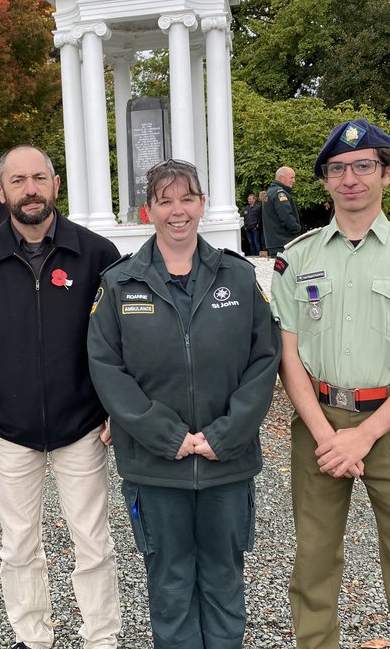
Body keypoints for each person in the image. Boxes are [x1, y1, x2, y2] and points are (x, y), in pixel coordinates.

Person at [271, 118, 390, 649]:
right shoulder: (299, 258)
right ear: (326, 181)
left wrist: (365, 434)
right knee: (312, 557)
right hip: (318, 420)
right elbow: (287, 357)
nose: (350, 178)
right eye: (337, 169)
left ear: (387, 174)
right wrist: (326, 431)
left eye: (363, 166)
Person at [87, 159, 280, 649]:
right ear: (147, 210)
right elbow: (107, 368)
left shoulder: (237, 277)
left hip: (226, 463)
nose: (178, 211)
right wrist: (167, 436)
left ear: (201, 204)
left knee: (223, 580)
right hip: (156, 467)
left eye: (187, 199)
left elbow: (265, 359)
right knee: (170, 584)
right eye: (165, 201)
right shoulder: (119, 284)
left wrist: (225, 434)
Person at [0, 145, 122, 649]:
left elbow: (120, 340)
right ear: (0, 189)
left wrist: (117, 407)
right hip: (9, 431)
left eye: (39, 178)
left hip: (84, 427)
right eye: (18, 180)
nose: (30, 189)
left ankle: (102, 638)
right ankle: (34, 638)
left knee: (93, 544)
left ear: (55, 184)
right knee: (18, 546)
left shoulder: (98, 254)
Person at [261, 166, 300, 256]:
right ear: (282, 177)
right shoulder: (280, 193)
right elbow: (286, 216)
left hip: (274, 242)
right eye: (291, 177)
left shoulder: (269, 192)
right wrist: (296, 229)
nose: (294, 181)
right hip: (284, 242)